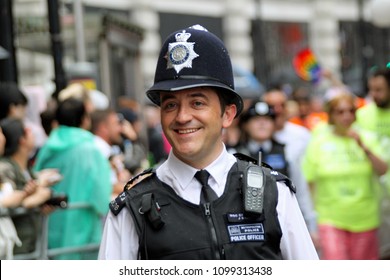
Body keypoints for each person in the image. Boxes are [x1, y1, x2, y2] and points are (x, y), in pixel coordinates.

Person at [98, 25, 318, 260]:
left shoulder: (273, 193)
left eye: (197, 103)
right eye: (170, 104)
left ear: (228, 114)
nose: (182, 117)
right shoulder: (132, 208)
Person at [302, 92, 388, 259]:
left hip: (366, 217)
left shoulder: (367, 138)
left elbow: (383, 170)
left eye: (350, 111)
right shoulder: (319, 141)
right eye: (340, 112)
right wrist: (312, 219)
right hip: (331, 218)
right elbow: (309, 181)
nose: (346, 116)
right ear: (331, 115)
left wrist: (363, 147)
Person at [33, 98, 112, 259]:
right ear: (84, 120)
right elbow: (102, 195)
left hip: (51, 224)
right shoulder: (91, 150)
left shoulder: (47, 147)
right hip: (82, 223)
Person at [262, 87, 319, 247]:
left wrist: (311, 222)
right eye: (272, 106)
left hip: (298, 208)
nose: (278, 110)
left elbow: (306, 180)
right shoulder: (256, 137)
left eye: (282, 105)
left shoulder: (301, 135)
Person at [0, 118, 60, 257]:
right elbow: (14, 201)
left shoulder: (28, 168)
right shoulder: (5, 168)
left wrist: (39, 200)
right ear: (22, 139)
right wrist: (40, 191)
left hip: (30, 243)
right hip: (17, 246)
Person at [355, 67, 390, 259]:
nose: (374, 95)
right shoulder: (363, 115)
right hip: (375, 198)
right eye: (372, 90)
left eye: (380, 90)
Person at [232, 101, 289, 176]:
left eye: (267, 119)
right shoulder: (234, 153)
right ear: (245, 125)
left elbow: (296, 184)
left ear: (274, 125)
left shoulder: (286, 151)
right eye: (256, 119)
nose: (262, 124)